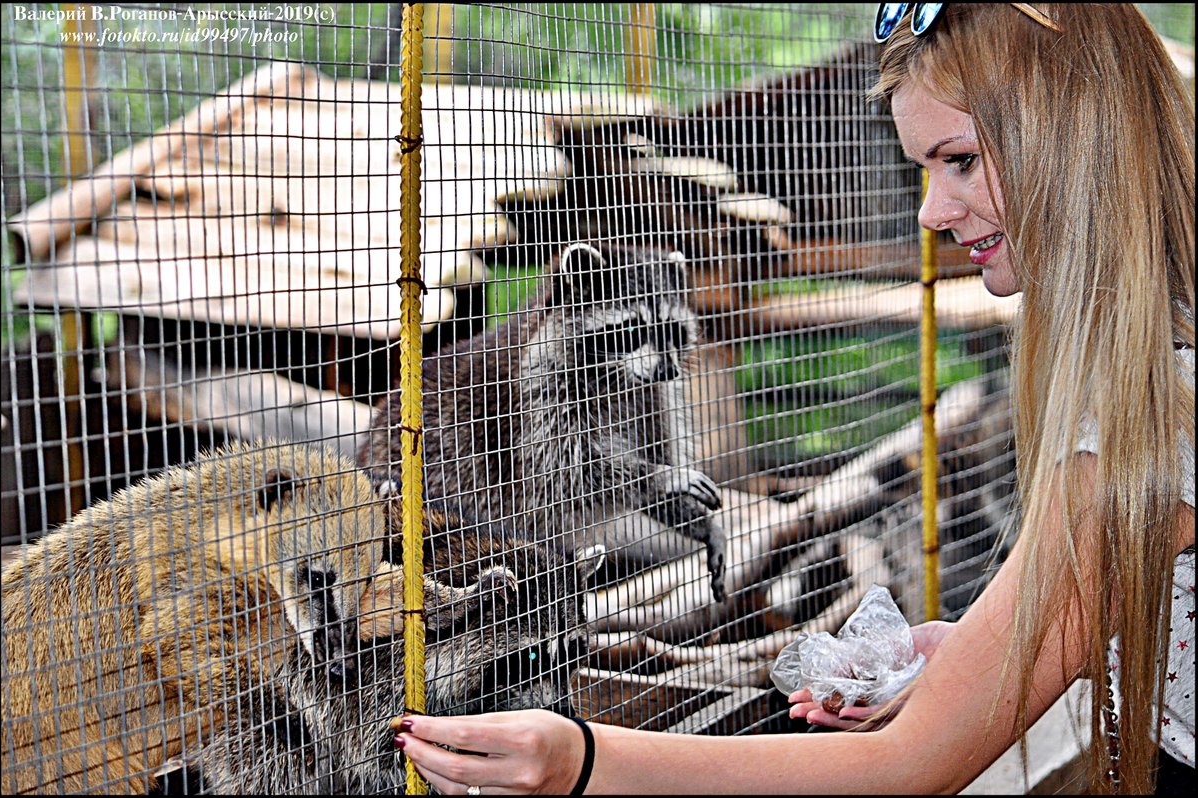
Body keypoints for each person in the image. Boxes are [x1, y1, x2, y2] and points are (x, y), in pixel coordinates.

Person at [393, 4, 1195, 793]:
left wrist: (579, 760)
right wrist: (984, 653)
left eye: (959, 159)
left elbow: (906, 767)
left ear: (1072, 138)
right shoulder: (1151, 347)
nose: (931, 212)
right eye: (923, 168)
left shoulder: (1154, 412)